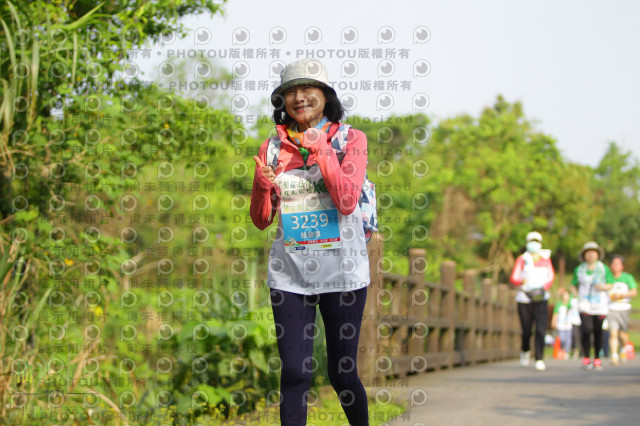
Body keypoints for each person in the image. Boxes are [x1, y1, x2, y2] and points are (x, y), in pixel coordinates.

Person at [250, 58, 370, 426]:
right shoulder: (273, 147)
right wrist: (263, 185)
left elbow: (347, 201)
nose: (299, 98)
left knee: (342, 373)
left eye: (308, 90)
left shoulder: (351, 140)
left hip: (343, 273)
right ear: (282, 101)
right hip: (290, 274)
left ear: (325, 96)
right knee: (294, 374)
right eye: (291, 93)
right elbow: (261, 220)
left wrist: (322, 151)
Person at [510, 231, 555, 371]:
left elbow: (551, 276)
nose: (534, 244)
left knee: (541, 329)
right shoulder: (522, 259)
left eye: (536, 241)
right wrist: (521, 281)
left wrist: (544, 287)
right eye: (531, 241)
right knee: (526, 329)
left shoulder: (545, 259)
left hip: (541, 298)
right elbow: (514, 277)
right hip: (524, 298)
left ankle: (539, 358)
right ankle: (525, 350)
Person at [570, 241, 613, 370]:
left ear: (597, 254)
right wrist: (576, 294)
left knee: (598, 331)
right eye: (588, 253)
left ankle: (597, 357)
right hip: (585, 303)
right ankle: (586, 356)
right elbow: (573, 284)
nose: (590, 255)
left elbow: (610, 284)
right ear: (584, 255)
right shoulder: (579, 269)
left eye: (593, 253)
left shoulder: (603, 268)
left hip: (600, 304)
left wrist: (602, 287)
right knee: (586, 330)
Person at [606, 254, 638, 366]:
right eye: (613, 263)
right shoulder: (607, 277)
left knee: (622, 334)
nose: (615, 266)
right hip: (611, 308)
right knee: (613, 332)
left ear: (622, 266)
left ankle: (623, 349)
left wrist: (621, 295)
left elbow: (634, 292)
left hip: (624, 308)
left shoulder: (627, 277)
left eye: (618, 264)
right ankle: (614, 356)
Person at [551, 288, 573, 359]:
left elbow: (574, 296)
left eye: (567, 295)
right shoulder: (559, 304)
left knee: (568, 340)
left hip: (568, 325)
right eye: (564, 295)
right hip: (560, 325)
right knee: (562, 339)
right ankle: (561, 350)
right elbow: (556, 314)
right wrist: (554, 321)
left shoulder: (570, 304)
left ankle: (566, 352)